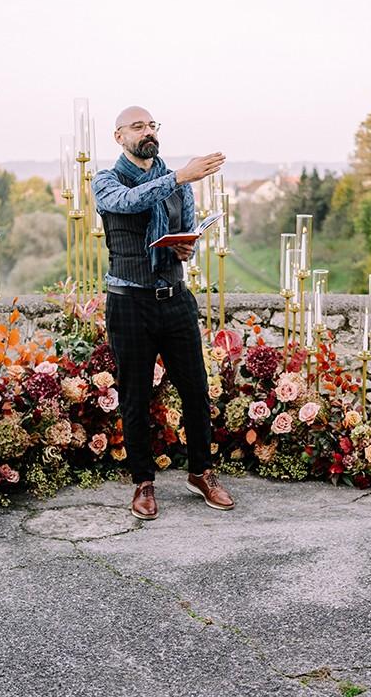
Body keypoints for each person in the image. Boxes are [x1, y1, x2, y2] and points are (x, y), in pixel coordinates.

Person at [92, 105, 235, 521]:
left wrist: (186, 246)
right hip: (129, 302)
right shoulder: (106, 180)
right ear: (119, 136)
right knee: (135, 396)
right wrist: (180, 176)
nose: (148, 131)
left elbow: (185, 230)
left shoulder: (178, 183)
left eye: (152, 125)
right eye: (138, 126)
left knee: (196, 389)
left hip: (175, 298)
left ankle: (201, 473)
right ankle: (143, 482)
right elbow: (129, 202)